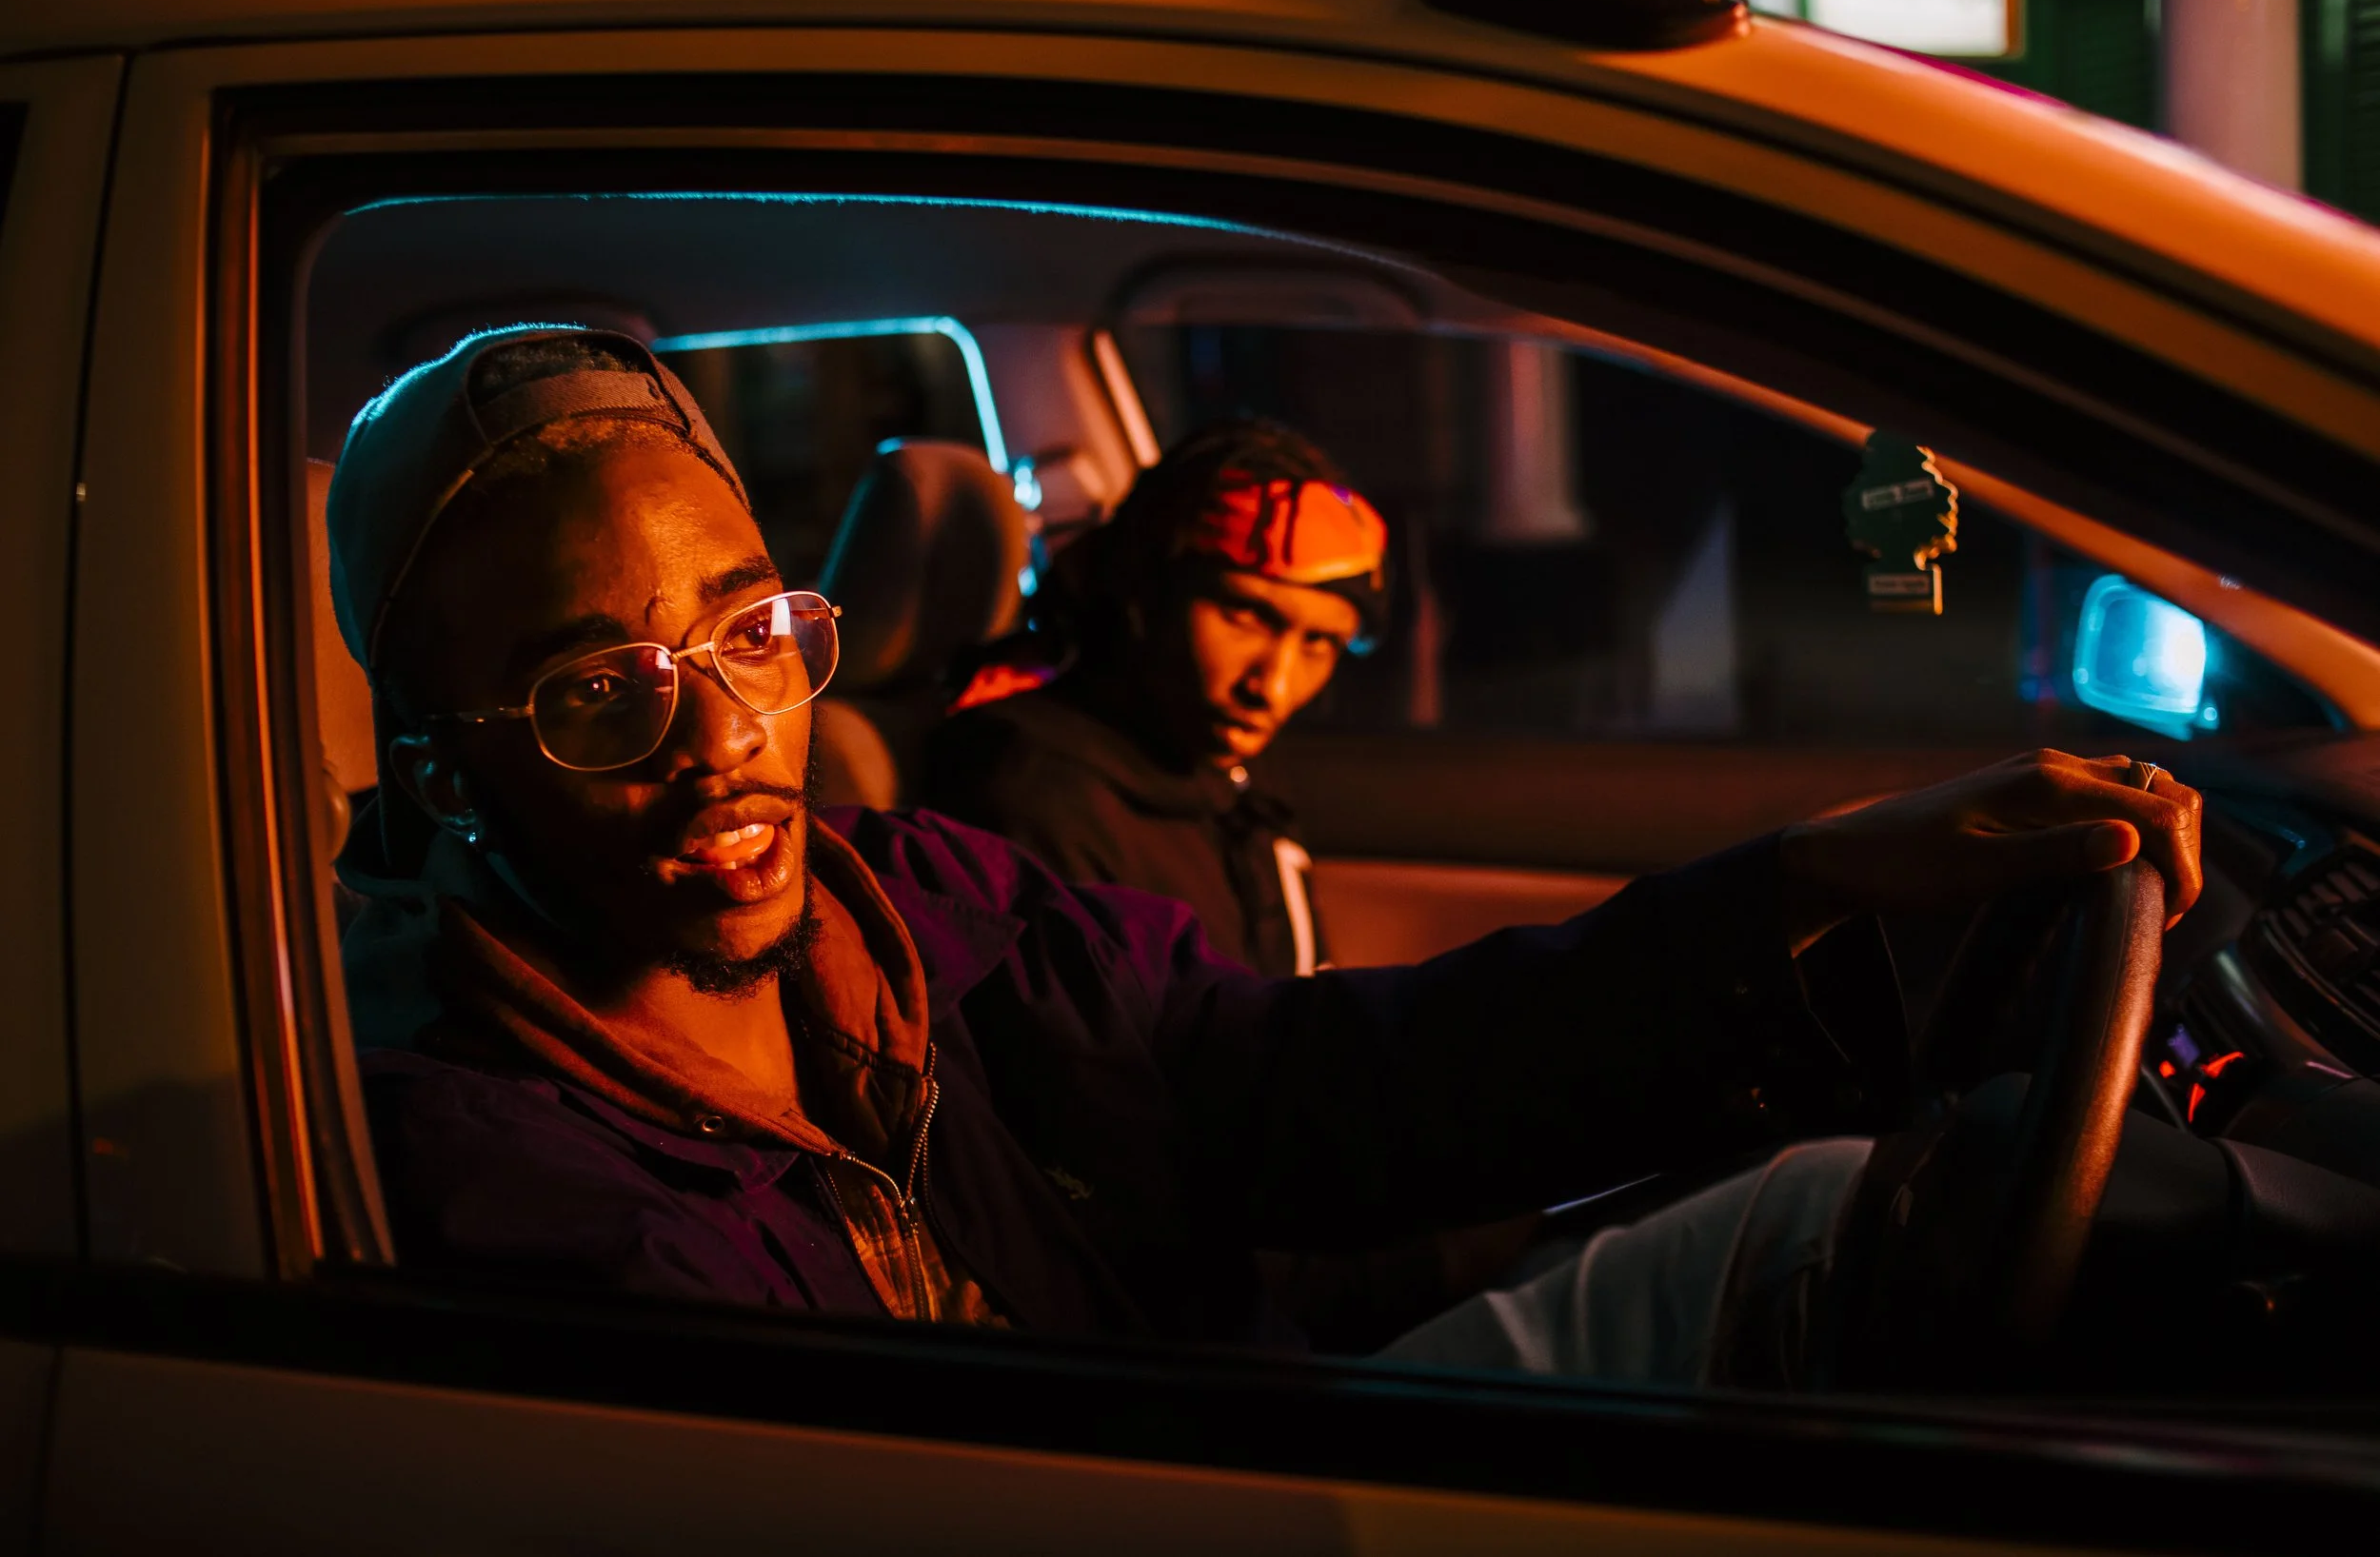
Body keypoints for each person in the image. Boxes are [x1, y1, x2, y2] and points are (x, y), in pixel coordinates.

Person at [333, 325, 2203, 1380]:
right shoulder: (496, 1175)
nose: (720, 742)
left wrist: (1809, 884)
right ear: (435, 775)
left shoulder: (912, 901)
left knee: (1846, 1212)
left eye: (752, 636)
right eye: (596, 692)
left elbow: (1298, 1076)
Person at [922, 419, 1380, 979]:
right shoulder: (1034, 796)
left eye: (1319, 642)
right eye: (1244, 615)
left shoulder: (1217, 766)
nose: (1273, 687)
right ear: (1146, 593)